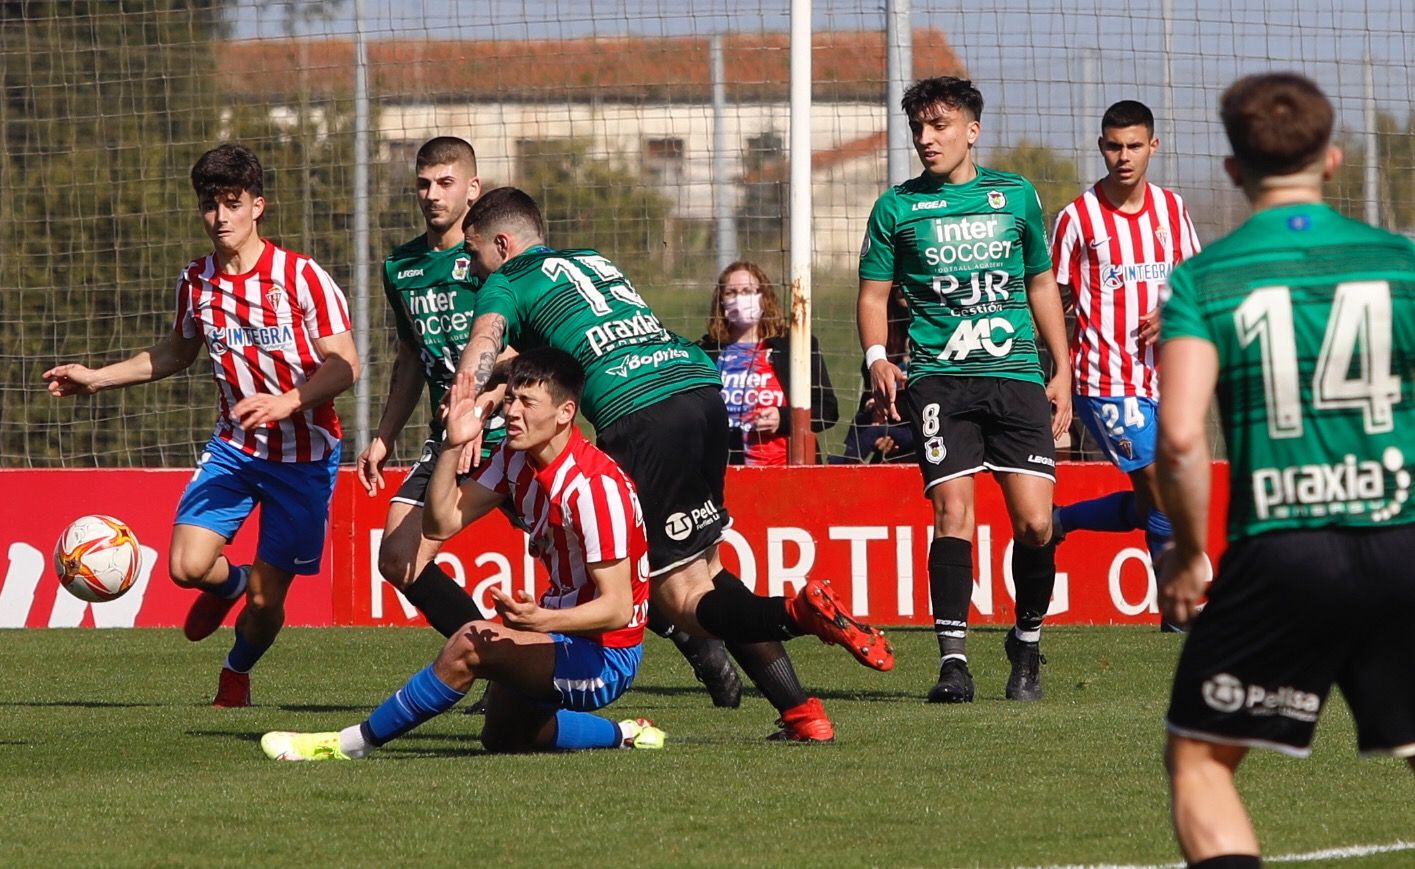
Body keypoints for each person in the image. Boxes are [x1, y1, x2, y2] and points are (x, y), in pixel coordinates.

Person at [451, 187, 894, 743]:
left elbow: (484, 342)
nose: (471, 270)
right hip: (698, 391)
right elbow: (560, 353)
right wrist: (498, 393)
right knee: (707, 573)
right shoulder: (593, 263)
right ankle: (803, 713)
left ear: (502, 243)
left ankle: (798, 612)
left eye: (473, 255)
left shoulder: (506, 280)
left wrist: (462, 403)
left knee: (681, 600)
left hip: (640, 415)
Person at [1157, 72, 1415, 868]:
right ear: (1331, 159)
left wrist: (1191, 552)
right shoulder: (1401, 262)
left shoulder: (1205, 278)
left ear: (1233, 169)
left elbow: (1178, 439)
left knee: (1201, 761)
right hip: (1402, 538)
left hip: (1282, 552)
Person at [43, 143, 359, 707]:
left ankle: (236, 670)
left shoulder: (301, 277)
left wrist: (289, 401)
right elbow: (174, 353)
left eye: (232, 204)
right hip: (236, 450)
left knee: (266, 603)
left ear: (257, 206)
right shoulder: (197, 281)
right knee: (186, 568)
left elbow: (346, 364)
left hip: (304, 458)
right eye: (210, 206)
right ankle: (228, 584)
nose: (220, 218)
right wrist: (96, 378)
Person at [260, 348, 665, 760]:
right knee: (505, 739)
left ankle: (346, 745)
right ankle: (627, 734)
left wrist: (542, 619)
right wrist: (452, 446)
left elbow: (617, 609)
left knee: (470, 644)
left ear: (565, 412)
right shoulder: (514, 457)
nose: (511, 412)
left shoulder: (595, 489)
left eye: (527, 402)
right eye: (510, 399)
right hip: (559, 634)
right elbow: (441, 524)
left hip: (607, 655)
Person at [858, 76, 1071, 704]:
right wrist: (878, 357)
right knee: (953, 513)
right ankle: (954, 664)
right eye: (919, 129)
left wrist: (1061, 368)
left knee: (1035, 525)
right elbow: (872, 295)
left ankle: (1026, 642)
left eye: (940, 126)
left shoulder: (1016, 195)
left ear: (971, 131)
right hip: (938, 381)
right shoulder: (896, 208)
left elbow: (1040, 282)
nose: (927, 139)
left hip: (1015, 378)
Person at [1049, 101, 1201, 632]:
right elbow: (1049, 297)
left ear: (1152, 147)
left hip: (1166, 379)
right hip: (1105, 381)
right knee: (1163, 488)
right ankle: (1179, 615)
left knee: (1156, 499)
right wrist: (1058, 372)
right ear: (1101, 147)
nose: (1124, 156)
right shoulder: (1077, 218)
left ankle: (1061, 520)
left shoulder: (1171, 210)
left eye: (1134, 145)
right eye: (1114, 145)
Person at [355, 136, 505, 638]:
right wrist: (384, 434)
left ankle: (691, 638)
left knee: (587, 553)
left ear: (473, 188)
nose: (433, 194)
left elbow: (525, 348)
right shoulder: (401, 268)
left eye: (446, 182)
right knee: (398, 559)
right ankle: (497, 659)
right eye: (423, 184)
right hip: (452, 438)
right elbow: (410, 356)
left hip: (519, 429)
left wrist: (485, 406)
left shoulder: (492, 259)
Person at [697, 260, 838, 465]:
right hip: (723, 471)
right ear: (721, 302)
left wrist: (784, 418)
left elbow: (828, 409)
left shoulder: (795, 346)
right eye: (731, 293)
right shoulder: (704, 353)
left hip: (785, 468)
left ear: (764, 298)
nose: (740, 299)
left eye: (748, 291)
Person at [839, 283, 915, 464]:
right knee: (863, 423)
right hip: (887, 427)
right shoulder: (882, 345)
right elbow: (869, 394)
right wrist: (873, 408)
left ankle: (845, 464)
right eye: (897, 285)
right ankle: (845, 465)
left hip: (922, 431)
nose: (903, 290)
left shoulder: (937, 336)